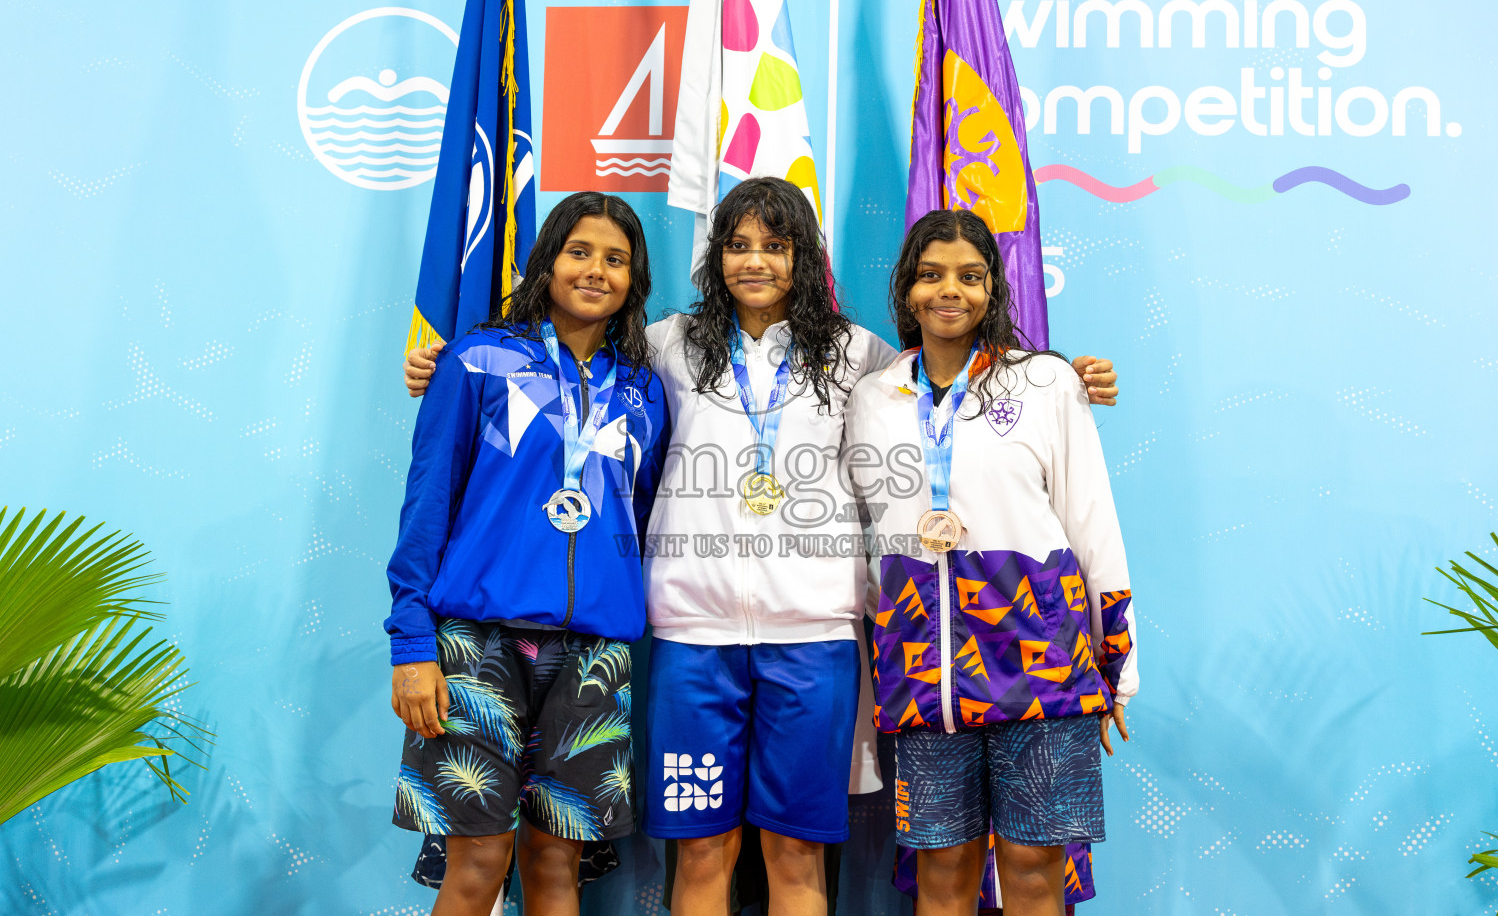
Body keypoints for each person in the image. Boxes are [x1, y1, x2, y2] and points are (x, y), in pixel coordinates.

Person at [403, 181, 1119, 916]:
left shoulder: (857, 356)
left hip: (814, 643)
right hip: (692, 641)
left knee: (796, 852)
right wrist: (445, 365)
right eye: (738, 245)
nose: (755, 262)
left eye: (775, 247)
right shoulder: (665, 346)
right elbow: (573, 373)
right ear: (715, 256)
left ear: (803, 257)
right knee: (704, 852)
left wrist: (1062, 371)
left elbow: (943, 393)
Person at [385, 191, 669, 916]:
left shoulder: (643, 392)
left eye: (616, 259)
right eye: (579, 252)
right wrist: (411, 644)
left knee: (556, 867)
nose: (596, 271)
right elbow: (426, 507)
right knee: (478, 862)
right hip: (475, 646)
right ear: (547, 262)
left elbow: (634, 520)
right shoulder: (478, 360)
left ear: (635, 280)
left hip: (593, 656)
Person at [847, 208, 1137, 916]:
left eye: (970, 277)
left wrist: (1117, 666)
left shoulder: (1044, 385)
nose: (950, 291)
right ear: (906, 291)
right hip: (925, 675)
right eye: (931, 275)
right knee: (942, 872)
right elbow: (865, 545)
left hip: (1042, 667)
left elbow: (1091, 522)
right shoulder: (873, 398)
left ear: (993, 289)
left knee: (1035, 868)